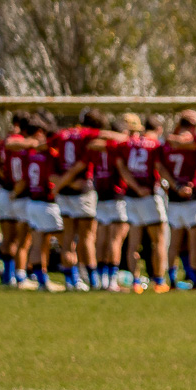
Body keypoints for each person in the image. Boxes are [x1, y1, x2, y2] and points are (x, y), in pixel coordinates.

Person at [50, 111, 109, 291]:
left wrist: (60, 183)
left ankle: (71, 280)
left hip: (64, 192)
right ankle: (93, 280)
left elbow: (44, 147)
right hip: (83, 190)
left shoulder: (63, 134)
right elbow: (81, 164)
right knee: (87, 237)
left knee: (67, 237)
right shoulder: (88, 135)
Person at [120, 117, 171, 292]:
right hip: (149, 196)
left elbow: (122, 167)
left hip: (131, 196)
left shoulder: (128, 144)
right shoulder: (155, 144)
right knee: (158, 240)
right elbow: (159, 167)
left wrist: (135, 186)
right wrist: (171, 184)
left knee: (134, 242)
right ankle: (159, 281)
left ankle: (135, 282)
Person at [0, 114, 31, 289]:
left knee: (8, 239)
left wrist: (3, 177)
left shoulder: (4, 141)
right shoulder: (24, 143)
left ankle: (0, 273)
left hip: (2, 190)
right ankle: (5, 273)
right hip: (13, 193)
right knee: (15, 239)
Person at [160, 117, 196, 289]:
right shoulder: (193, 143)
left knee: (174, 242)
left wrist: (175, 186)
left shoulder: (168, 144)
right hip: (193, 196)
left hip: (175, 197)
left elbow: (161, 168)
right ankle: (195, 279)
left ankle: (171, 279)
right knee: (195, 242)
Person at [18, 119, 63, 291]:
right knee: (67, 241)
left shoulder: (31, 155)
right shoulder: (50, 155)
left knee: (38, 243)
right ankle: (74, 279)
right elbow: (52, 178)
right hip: (47, 203)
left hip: (33, 202)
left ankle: (42, 282)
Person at [91, 116, 132, 290]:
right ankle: (112, 281)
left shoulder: (97, 146)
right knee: (115, 240)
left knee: (101, 238)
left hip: (101, 195)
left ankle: (101, 279)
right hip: (117, 195)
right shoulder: (117, 146)